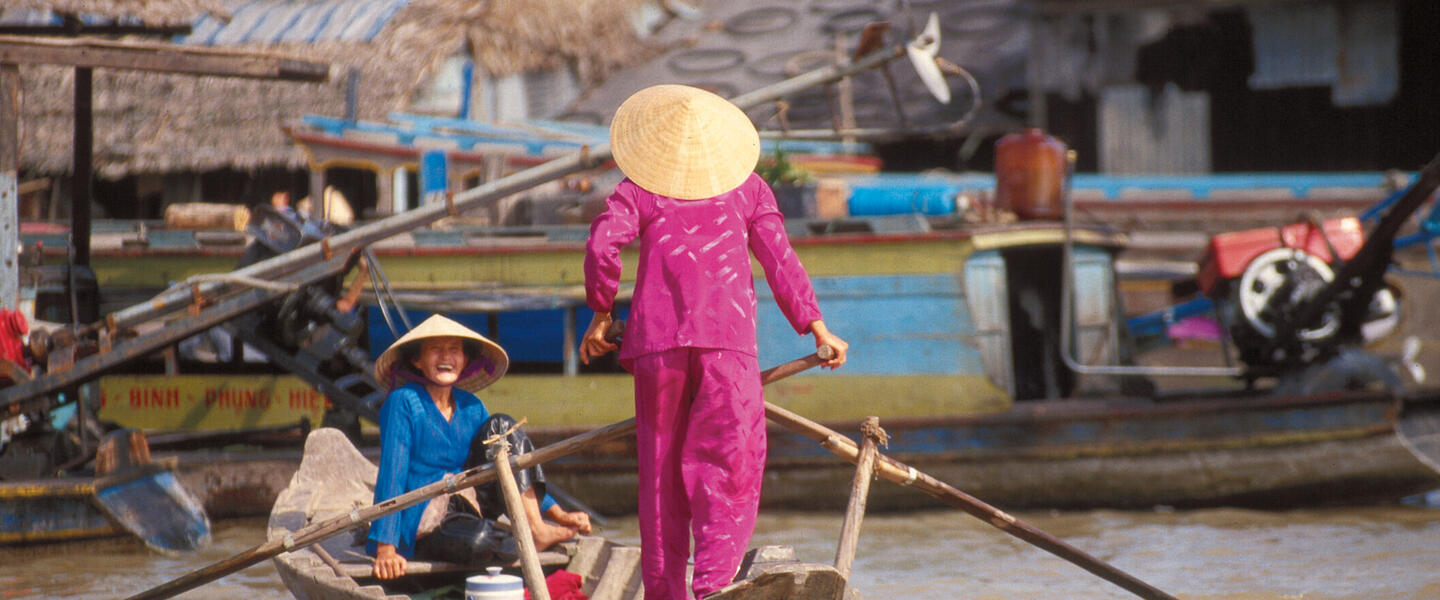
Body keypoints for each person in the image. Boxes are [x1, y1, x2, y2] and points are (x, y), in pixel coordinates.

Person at [580, 84, 849, 600]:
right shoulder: (749, 190)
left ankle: (665, 594)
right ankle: (713, 588)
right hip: (726, 346)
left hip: (656, 347)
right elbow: (779, 261)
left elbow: (601, 245)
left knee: (660, 475)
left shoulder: (638, 190)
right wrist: (816, 328)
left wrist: (601, 312)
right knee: (729, 465)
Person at [367, 314, 592, 580]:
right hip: (424, 518)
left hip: (470, 504)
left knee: (503, 429)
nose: (446, 357)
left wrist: (559, 513)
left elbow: (513, 468)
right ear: (417, 361)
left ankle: (536, 529)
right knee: (481, 540)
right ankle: (520, 537)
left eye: (454, 350)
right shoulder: (403, 402)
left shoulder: (472, 406)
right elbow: (391, 475)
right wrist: (386, 549)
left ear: (465, 360)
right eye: (435, 349)